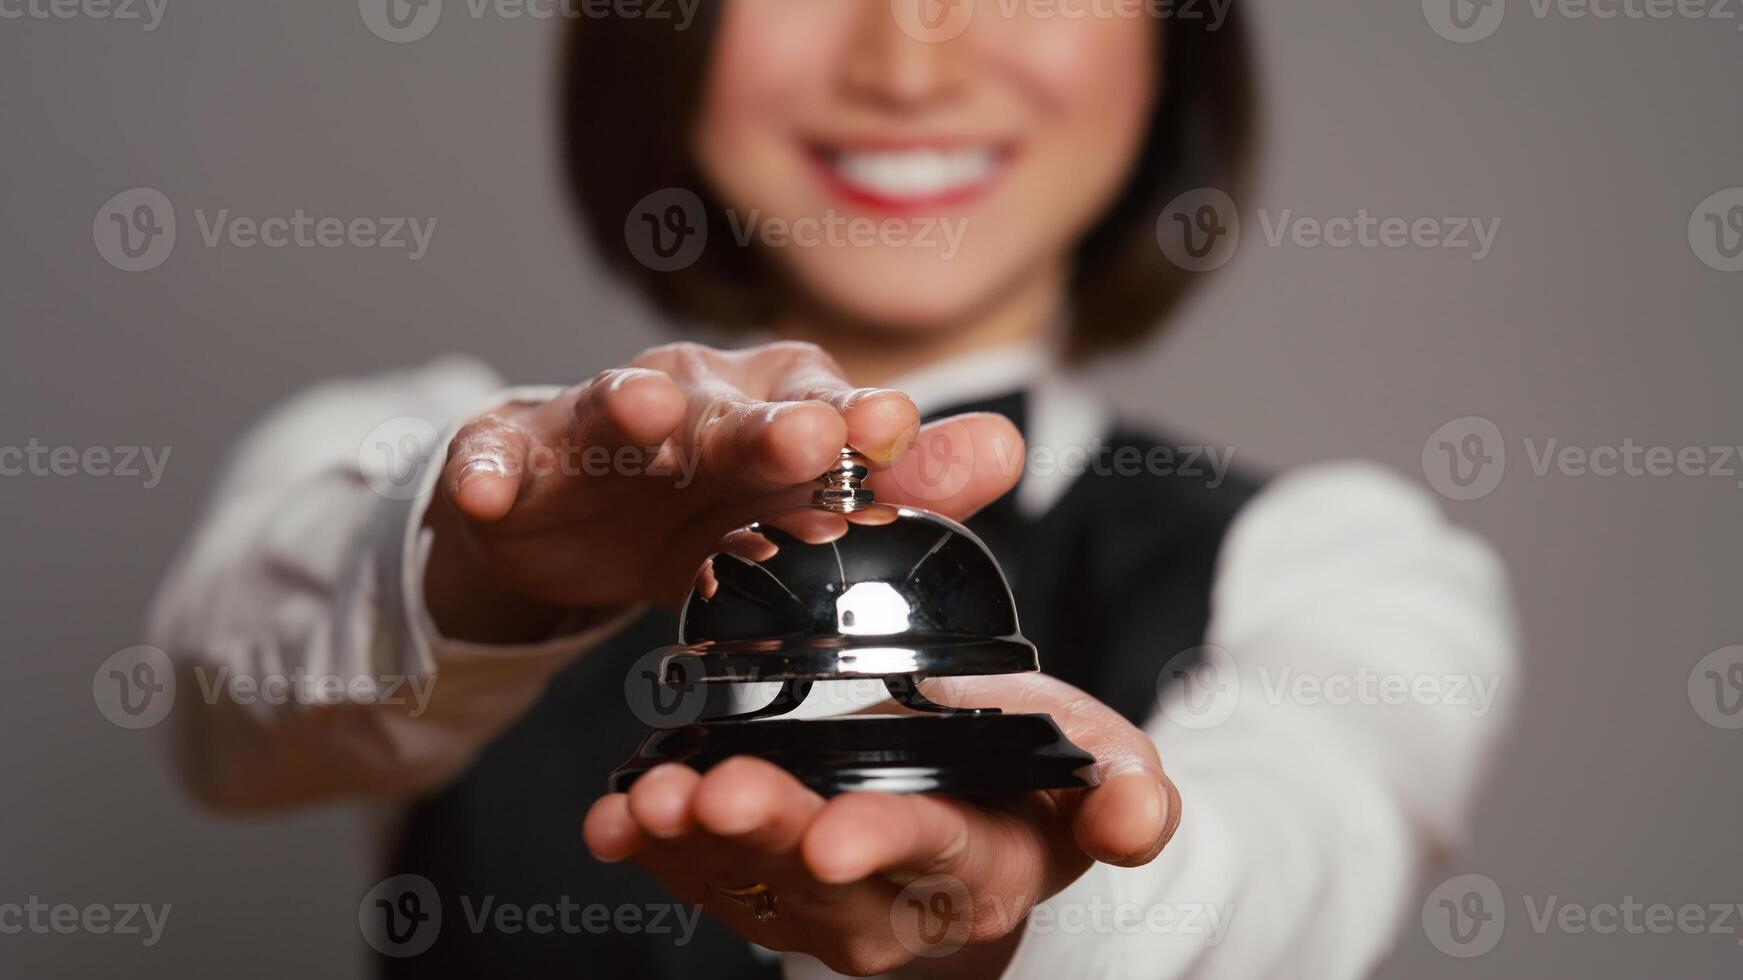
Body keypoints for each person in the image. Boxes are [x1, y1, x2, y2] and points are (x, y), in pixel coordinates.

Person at [148, 4, 1517, 977]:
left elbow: (1292, 867)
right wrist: (489, 559)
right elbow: (233, 710)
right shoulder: (414, 450)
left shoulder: (1337, 561)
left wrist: (1031, 905)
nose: (907, 61)